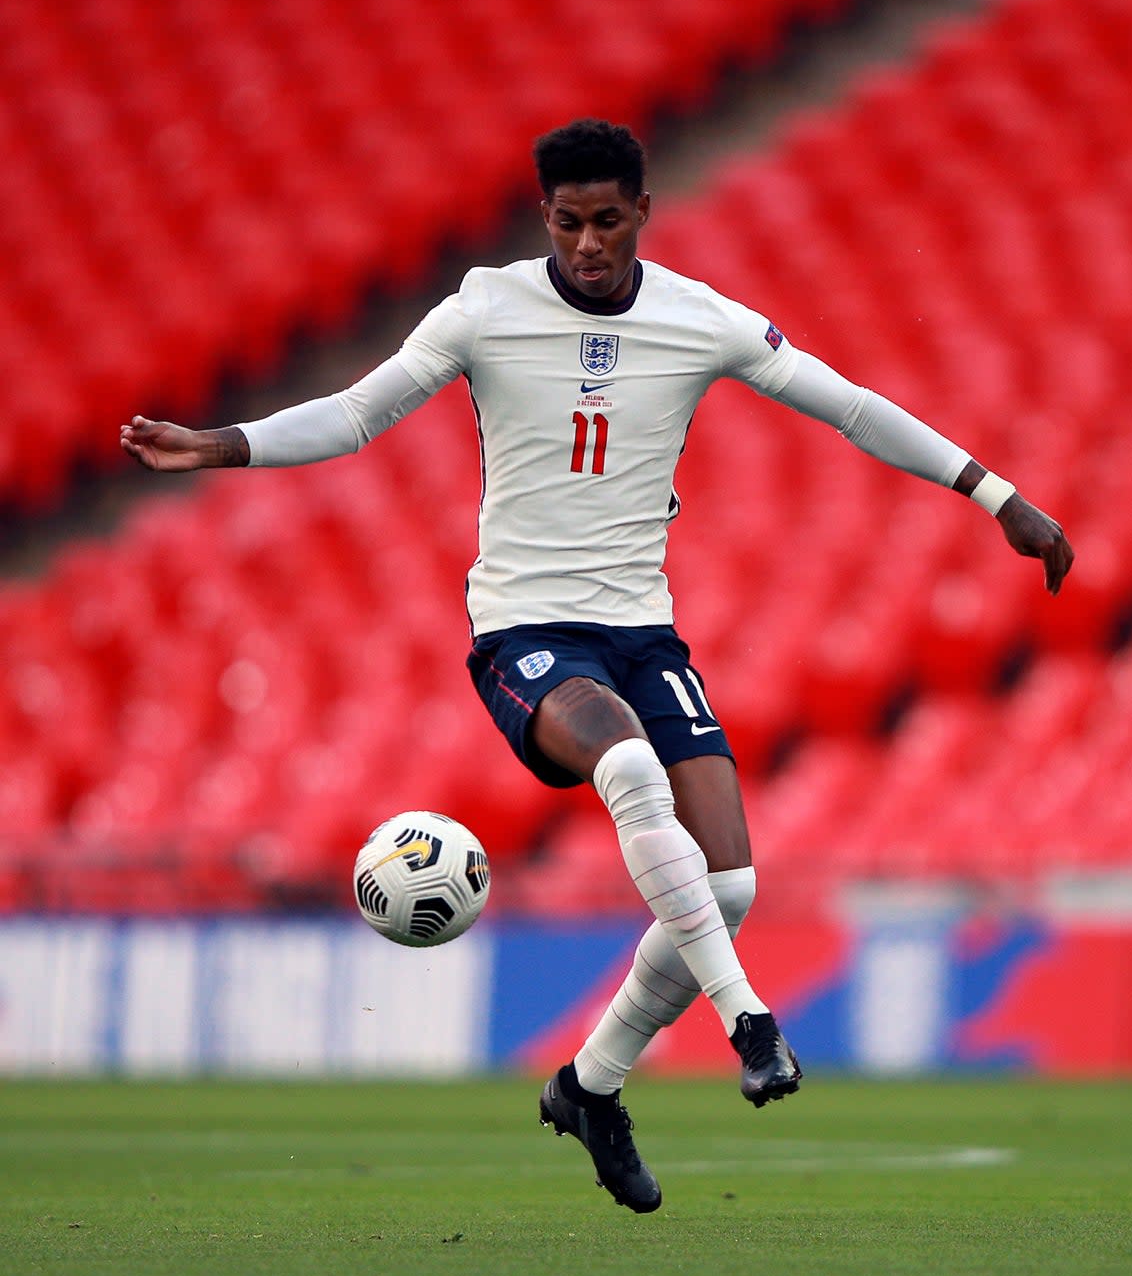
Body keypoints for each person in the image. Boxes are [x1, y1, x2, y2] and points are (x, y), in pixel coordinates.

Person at [121, 118, 1073, 1214]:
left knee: (731, 884)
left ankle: (590, 1084)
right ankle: (749, 1023)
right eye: (568, 223)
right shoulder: (486, 308)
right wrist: (222, 444)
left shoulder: (698, 317)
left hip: (642, 630)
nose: (586, 243)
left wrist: (995, 495)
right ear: (545, 219)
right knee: (627, 770)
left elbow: (849, 407)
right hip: (524, 631)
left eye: (607, 221)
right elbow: (356, 415)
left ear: (643, 214)